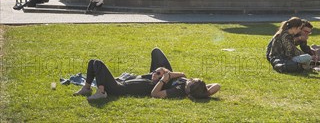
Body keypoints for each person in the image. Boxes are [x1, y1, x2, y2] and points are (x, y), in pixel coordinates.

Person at [73, 47, 220, 102]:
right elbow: (217, 85)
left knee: (96, 62)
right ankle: (87, 88)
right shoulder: (190, 85)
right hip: (156, 78)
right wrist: (164, 73)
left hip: (120, 87)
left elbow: (155, 94)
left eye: (192, 81)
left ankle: (101, 91)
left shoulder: (178, 91)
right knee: (156, 51)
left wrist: (163, 79)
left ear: (189, 88)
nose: (191, 79)